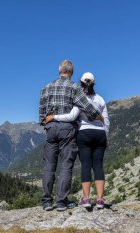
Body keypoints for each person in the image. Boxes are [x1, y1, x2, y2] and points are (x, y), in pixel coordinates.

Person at [39, 60, 102, 211]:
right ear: (72, 72)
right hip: (67, 129)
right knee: (66, 165)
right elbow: (86, 107)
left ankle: (47, 202)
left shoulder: (46, 88)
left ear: (59, 70)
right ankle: (61, 202)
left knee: (49, 165)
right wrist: (97, 115)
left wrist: (46, 123)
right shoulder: (74, 87)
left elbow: (41, 112)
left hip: (51, 128)